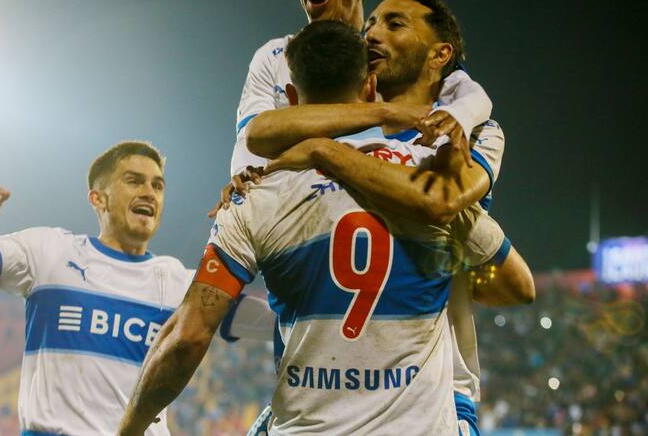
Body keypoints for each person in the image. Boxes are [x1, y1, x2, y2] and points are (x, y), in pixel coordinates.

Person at [119, 22, 514, 436]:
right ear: (369, 89)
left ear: (290, 99)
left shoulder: (254, 192)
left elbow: (188, 337)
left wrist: (129, 429)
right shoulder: (430, 178)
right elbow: (517, 286)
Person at [244, 0, 536, 435]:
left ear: (441, 55)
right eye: (371, 24)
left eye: (393, 24)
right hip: (318, 399)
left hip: (432, 396)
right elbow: (260, 134)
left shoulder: (471, 135)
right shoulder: (346, 122)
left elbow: (443, 200)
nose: (372, 33)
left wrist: (323, 152)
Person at [0, 141, 274, 436]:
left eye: (157, 185)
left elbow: (273, 323)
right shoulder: (47, 252)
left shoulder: (182, 284)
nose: (148, 193)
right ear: (98, 198)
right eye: (134, 181)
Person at [219, 0, 492, 210]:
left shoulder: (384, 56)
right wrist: (246, 176)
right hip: (292, 203)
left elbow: (467, 92)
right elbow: (254, 136)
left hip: (382, 200)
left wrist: (461, 115)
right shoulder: (274, 55)